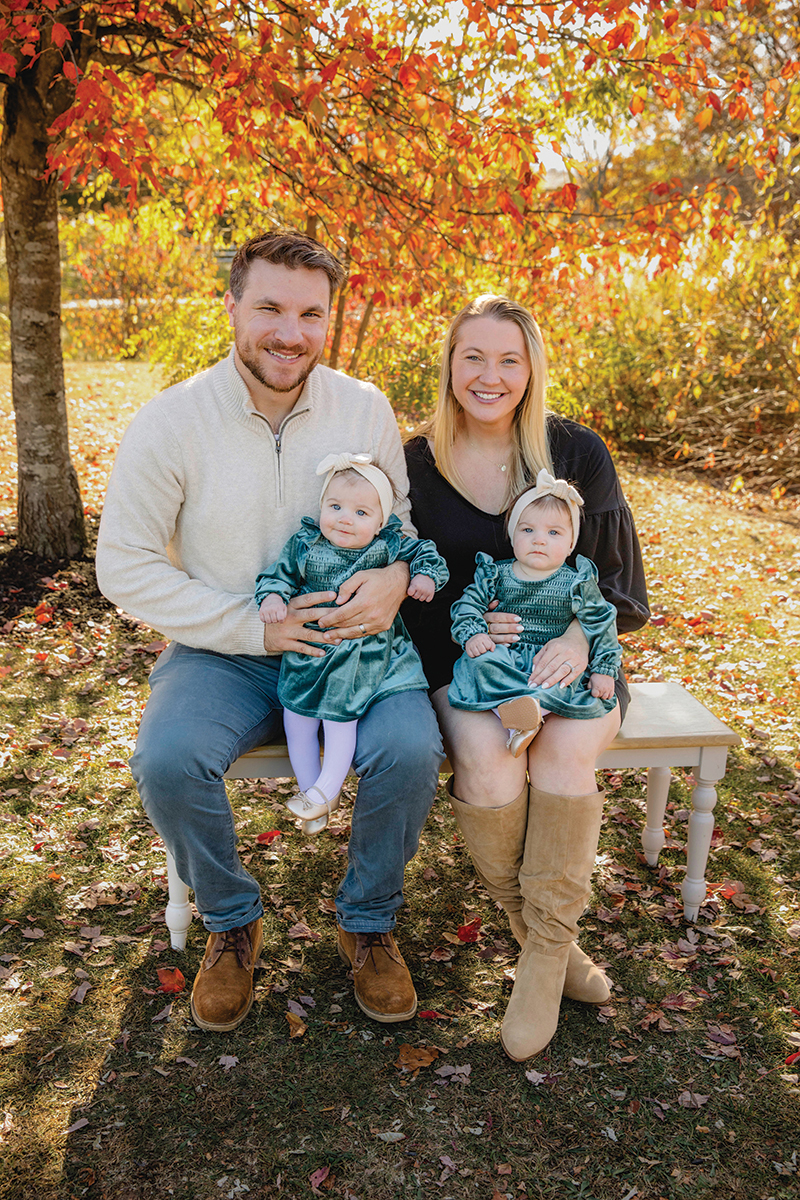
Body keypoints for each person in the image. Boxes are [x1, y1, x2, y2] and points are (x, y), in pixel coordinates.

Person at [96, 230, 444, 1033]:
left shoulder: (363, 407)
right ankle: (230, 923)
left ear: (329, 319)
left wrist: (395, 580)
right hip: (227, 651)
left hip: (360, 648)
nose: (290, 333)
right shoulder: (172, 420)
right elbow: (125, 566)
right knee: (168, 759)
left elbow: (402, 522)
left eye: (310, 314)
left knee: (414, 749)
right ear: (231, 308)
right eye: (270, 309)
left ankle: (369, 924)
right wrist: (253, 630)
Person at [402, 294, 649, 1062]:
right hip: (470, 664)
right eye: (472, 355)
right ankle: (544, 935)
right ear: (448, 364)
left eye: (509, 358)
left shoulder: (575, 454)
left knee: (561, 754)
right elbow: (408, 593)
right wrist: (472, 630)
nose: (490, 374)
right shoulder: (415, 463)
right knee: (488, 758)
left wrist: (579, 632)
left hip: (580, 661)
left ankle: (541, 962)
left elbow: (623, 585)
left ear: (532, 368)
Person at [254, 452, 448, 833]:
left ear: (381, 522)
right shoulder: (305, 544)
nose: (345, 518)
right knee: (297, 719)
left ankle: (326, 791)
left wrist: (424, 576)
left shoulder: (387, 546)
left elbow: (426, 553)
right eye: (336, 506)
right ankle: (311, 792)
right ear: (322, 507)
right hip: (310, 652)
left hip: (361, 653)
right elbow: (278, 575)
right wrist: (273, 598)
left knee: (340, 716)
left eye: (361, 513)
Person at [448, 470, 622, 758]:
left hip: (548, 661)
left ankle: (529, 714)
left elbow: (602, 623)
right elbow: (468, 605)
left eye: (553, 533)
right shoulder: (494, 574)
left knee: (558, 678)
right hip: (506, 655)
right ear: (513, 536)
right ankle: (516, 714)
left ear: (570, 545)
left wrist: (605, 670)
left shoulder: (576, 583)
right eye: (528, 530)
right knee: (481, 663)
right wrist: (474, 632)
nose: (539, 540)